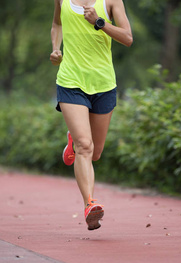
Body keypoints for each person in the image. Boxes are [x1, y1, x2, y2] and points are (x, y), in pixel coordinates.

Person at [50, 0, 132, 230]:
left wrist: (99, 22)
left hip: (104, 84)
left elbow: (127, 38)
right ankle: (89, 204)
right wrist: (56, 48)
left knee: (95, 153)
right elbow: (57, 24)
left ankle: (73, 138)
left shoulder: (112, 1)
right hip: (70, 82)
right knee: (85, 146)